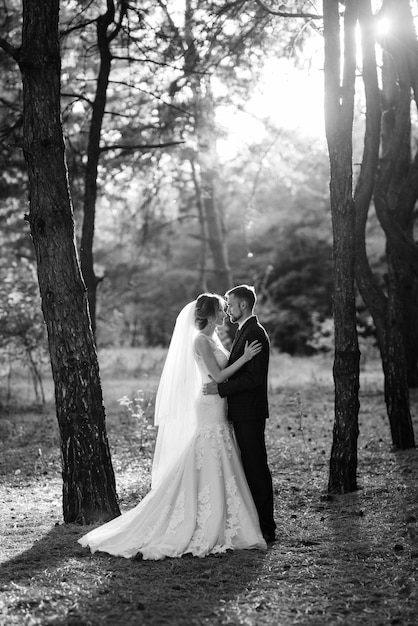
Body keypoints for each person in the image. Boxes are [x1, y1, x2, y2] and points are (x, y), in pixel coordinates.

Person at [78, 293, 267, 560]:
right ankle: (196, 516)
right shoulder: (200, 341)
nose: (226, 314)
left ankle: (223, 516)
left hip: (220, 405)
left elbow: (223, 377)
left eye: (227, 309)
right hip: (209, 405)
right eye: (222, 310)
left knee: (219, 456)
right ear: (210, 315)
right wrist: (245, 358)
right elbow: (219, 375)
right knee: (207, 454)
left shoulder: (213, 339)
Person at [203, 285, 276, 544]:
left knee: (256, 467)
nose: (228, 309)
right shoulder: (245, 330)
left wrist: (220, 389)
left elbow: (254, 379)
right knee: (249, 466)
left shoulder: (254, 332)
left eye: (230, 305)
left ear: (243, 305)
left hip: (250, 412)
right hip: (242, 411)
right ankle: (257, 522)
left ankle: (267, 527)